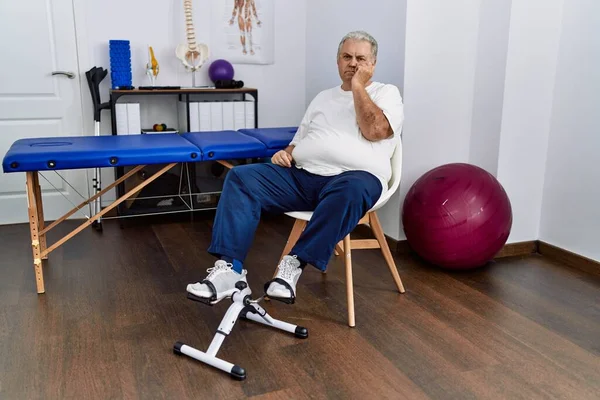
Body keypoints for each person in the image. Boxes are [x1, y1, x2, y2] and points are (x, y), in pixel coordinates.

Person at [187, 30, 404, 304]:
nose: (353, 64)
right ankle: (230, 271)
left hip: (355, 180)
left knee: (352, 188)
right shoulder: (322, 98)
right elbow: (299, 140)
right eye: (347, 57)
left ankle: (293, 267)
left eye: (361, 59)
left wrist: (358, 87)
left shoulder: (387, 93)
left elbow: (375, 130)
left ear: (372, 64)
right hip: (303, 177)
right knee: (241, 178)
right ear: (337, 61)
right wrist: (286, 154)